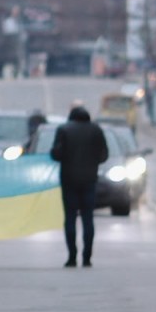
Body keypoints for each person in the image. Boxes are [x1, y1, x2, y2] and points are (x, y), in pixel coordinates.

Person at [50, 104, 110, 269]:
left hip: (69, 180)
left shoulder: (64, 130)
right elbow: (104, 155)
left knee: (70, 218)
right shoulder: (96, 130)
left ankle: (72, 256)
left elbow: (56, 153)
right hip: (90, 180)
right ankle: (87, 257)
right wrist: (92, 162)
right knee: (87, 218)